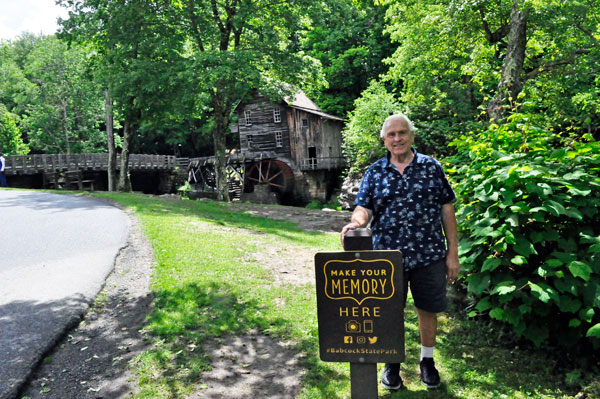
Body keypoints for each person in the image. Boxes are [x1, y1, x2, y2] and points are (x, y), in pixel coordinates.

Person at [340, 114, 460, 390]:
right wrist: (355, 223)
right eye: (391, 134)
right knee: (387, 311)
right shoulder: (375, 172)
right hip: (387, 258)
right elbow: (363, 207)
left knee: (427, 310)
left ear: (411, 135)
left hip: (428, 255)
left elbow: (447, 210)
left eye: (402, 133)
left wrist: (452, 253)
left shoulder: (432, 167)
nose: (397, 138)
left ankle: (427, 362)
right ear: (384, 140)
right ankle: (391, 363)